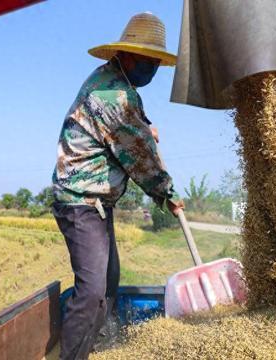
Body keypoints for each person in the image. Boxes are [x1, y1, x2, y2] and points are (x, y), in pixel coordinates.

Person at [51, 12, 183, 360]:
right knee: (93, 290)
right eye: (146, 60)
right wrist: (167, 194)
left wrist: (144, 129)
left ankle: (101, 346)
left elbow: (130, 129)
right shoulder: (115, 95)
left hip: (98, 204)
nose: (151, 68)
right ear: (125, 55)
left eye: (156, 62)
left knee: (109, 282)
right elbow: (139, 156)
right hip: (80, 202)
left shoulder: (118, 85)